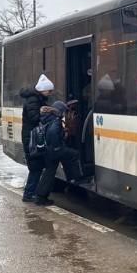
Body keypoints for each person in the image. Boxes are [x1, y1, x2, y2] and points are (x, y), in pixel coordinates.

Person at [33, 101, 87, 206]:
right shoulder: (56, 120)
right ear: (60, 111)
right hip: (54, 149)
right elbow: (53, 132)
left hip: (46, 149)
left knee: (49, 172)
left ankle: (40, 197)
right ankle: (75, 178)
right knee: (74, 154)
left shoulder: (46, 116)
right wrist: (58, 146)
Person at [19, 74, 54, 202]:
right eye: (49, 91)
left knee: (37, 167)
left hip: (31, 137)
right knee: (35, 167)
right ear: (43, 89)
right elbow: (34, 118)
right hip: (31, 138)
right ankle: (28, 194)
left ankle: (30, 193)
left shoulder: (35, 98)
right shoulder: (33, 100)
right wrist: (46, 111)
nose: (50, 94)